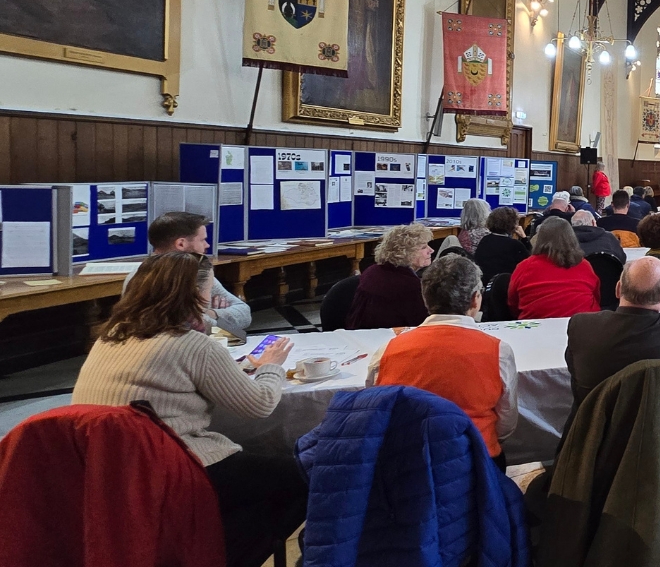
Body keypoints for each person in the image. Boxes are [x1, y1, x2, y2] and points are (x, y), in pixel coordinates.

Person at [74, 252, 303, 567]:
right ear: (195, 294)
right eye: (209, 290)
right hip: (174, 464)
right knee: (302, 477)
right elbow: (260, 404)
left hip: (106, 466)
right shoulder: (194, 346)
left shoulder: (111, 337)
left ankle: (200, 544)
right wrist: (271, 368)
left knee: (253, 492)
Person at [366, 255, 516, 463]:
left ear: (425, 298)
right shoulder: (498, 351)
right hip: (476, 457)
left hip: (406, 462)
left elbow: (374, 408)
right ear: (475, 299)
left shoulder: (387, 350)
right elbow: (506, 420)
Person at [564, 257, 660, 411]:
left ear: (618, 289)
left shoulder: (582, 326)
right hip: (659, 429)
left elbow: (574, 375)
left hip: (594, 428)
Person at [126, 212, 250, 338]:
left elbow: (244, 313)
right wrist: (205, 316)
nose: (207, 245)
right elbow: (236, 335)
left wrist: (211, 312)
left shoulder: (197, 269)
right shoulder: (144, 277)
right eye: (202, 240)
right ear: (181, 244)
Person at [508, 217, 601, 319]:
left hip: (536, 328)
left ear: (539, 239)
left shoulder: (524, 267)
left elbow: (512, 302)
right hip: (582, 326)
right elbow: (596, 297)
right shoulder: (584, 265)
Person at [348, 223, 433, 329]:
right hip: (388, 338)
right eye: (424, 247)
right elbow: (423, 325)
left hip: (362, 334)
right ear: (406, 252)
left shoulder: (372, 271)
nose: (431, 250)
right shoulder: (410, 286)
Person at [472, 206, 531, 284]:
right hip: (504, 285)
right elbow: (530, 261)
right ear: (513, 224)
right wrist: (524, 238)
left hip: (484, 284)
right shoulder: (514, 245)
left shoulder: (485, 240)